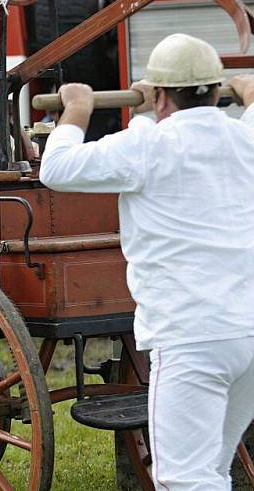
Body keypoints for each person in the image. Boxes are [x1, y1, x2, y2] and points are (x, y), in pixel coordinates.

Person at [39, 33, 254, 490]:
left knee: (183, 477)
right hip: (249, 335)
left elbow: (55, 168)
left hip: (192, 337)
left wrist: (76, 109)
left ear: (159, 94)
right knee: (211, 469)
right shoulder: (244, 137)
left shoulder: (147, 148)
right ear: (216, 91)